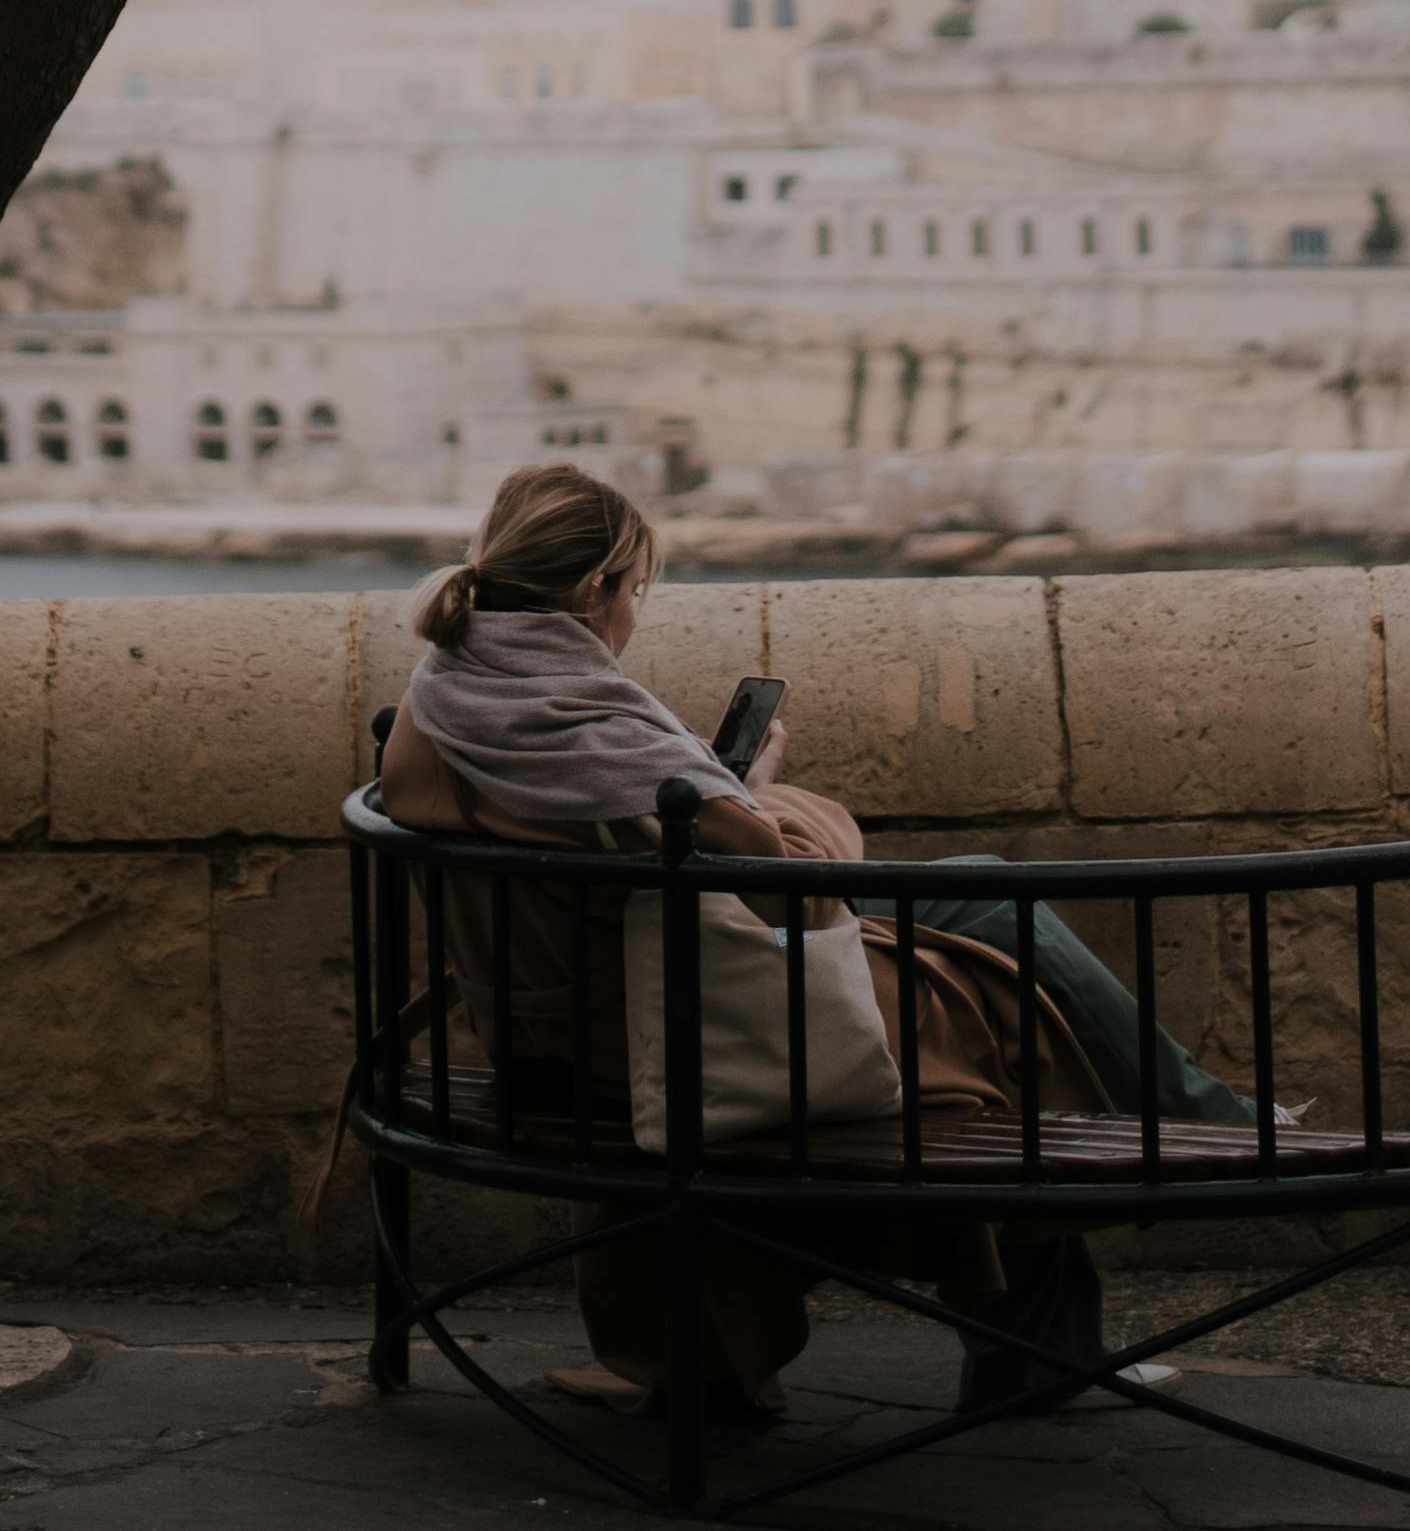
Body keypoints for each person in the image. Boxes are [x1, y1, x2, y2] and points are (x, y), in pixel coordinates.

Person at [380, 459, 1240, 1424]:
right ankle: (1196, 1157)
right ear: (593, 592)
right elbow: (788, 884)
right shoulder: (582, 720)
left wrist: (713, 787)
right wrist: (765, 794)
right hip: (670, 1029)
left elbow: (648, 826)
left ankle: (1191, 1130)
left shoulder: (449, 692)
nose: (634, 616)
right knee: (997, 1001)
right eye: (635, 592)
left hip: (557, 1020)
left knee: (981, 902)